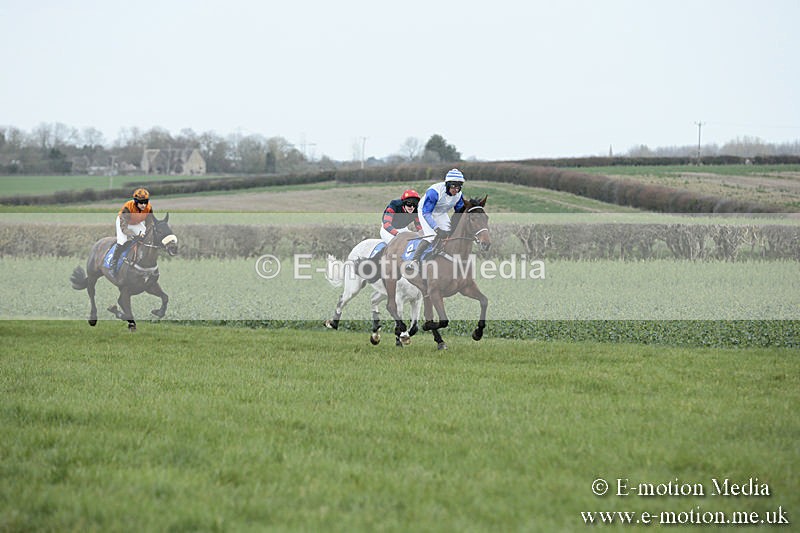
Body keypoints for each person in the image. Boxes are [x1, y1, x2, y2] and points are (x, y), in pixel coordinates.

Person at [405, 168, 465, 272]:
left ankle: (442, 255)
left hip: (440, 213)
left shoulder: (459, 195)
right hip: (425, 212)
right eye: (453, 186)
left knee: (449, 233)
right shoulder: (434, 192)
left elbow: (459, 213)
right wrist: (436, 228)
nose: (456, 190)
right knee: (431, 236)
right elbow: (427, 213)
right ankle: (414, 260)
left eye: (459, 187)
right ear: (447, 184)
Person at [109, 188, 153, 270]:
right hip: (124, 223)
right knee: (122, 241)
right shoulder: (128, 207)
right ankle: (113, 262)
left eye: (145, 202)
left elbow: (149, 223)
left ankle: (140, 258)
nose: (144, 205)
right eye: (141, 203)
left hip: (136, 223)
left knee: (146, 237)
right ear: (135, 201)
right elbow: (124, 228)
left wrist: (147, 233)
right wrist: (132, 235)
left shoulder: (149, 207)